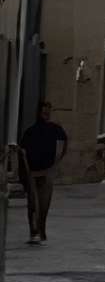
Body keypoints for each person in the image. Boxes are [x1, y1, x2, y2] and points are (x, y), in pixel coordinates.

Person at [20, 102, 68, 243]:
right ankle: (33, 231)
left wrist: (55, 164)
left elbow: (63, 145)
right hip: (32, 173)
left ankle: (41, 229)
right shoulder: (30, 131)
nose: (46, 115)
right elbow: (23, 152)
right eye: (44, 112)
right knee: (33, 204)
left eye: (48, 112)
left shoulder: (56, 129)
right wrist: (26, 171)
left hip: (47, 172)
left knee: (44, 204)